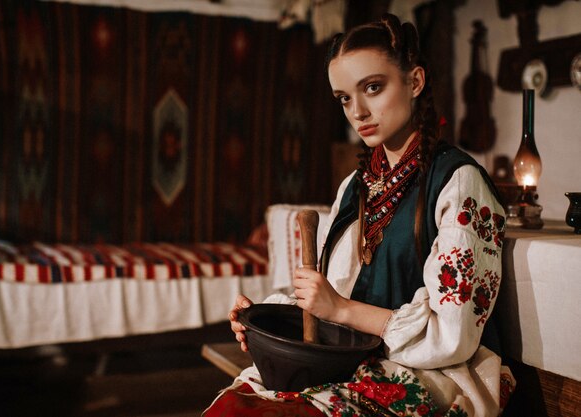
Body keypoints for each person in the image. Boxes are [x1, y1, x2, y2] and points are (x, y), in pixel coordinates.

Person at [204, 13, 515, 417]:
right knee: (234, 409)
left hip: (436, 372)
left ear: (415, 81)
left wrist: (342, 310)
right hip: (349, 361)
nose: (358, 111)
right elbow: (332, 298)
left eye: (373, 87)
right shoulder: (356, 185)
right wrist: (262, 319)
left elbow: (453, 335)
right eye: (345, 98)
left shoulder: (458, 182)